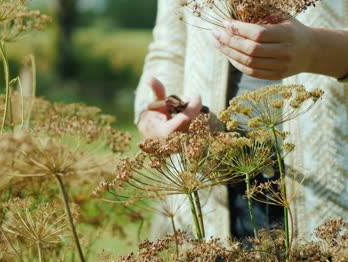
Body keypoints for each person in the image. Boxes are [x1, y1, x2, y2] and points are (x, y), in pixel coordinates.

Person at [135, 0, 347, 240]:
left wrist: (318, 50)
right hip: (212, 189)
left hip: (332, 186)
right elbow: (168, 49)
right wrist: (153, 110)